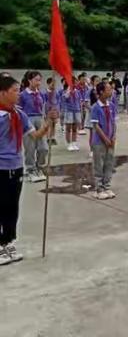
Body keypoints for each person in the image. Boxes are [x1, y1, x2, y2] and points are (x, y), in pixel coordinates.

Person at [0, 75, 55, 265]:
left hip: (15, 167)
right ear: (3, 93)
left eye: (18, 90)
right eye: (14, 91)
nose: (18, 94)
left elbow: (35, 135)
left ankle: (8, 241)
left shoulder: (19, 114)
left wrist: (48, 122)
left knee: (12, 207)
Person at [18, 71, 48, 182]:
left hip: (40, 119)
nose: (39, 82)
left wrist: (45, 121)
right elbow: (19, 111)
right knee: (30, 148)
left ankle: (39, 167)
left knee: (43, 148)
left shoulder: (40, 94)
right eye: (36, 80)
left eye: (40, 80)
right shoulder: (22, 95)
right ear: (29, 80)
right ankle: (30, 170)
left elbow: (43, 108)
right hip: (28, 120)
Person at [90, 82, 117, 200]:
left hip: (110, 140)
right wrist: (105, 139)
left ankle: (106, 186)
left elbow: (113, 123)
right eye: (109, 89)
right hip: (99, 141)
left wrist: (113, 137)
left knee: (109, 164)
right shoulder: (95, 107)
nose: (111, 91)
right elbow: (96, 126)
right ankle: (98, 188)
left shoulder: (111, 106)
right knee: (99, 164)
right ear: (101, 92)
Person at [63, 78, 81, 152]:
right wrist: (69, 90)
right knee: (68, 128)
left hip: (76, 111)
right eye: (75, 82)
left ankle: (74, 143)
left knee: (74, 128)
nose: (76, 84)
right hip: (69, 111)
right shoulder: (67, 91)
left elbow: (79, 101)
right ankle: (69, 143)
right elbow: (65, 98)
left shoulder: (77, 92)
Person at [85, 75, 100, 157]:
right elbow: (86, 103)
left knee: (99, 133)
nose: (98, 82)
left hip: (100, 114)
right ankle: (91, 150)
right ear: (92, 82)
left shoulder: (101, 90)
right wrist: (92, 110)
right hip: (92, 114)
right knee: (92, 133)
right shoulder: (89, 91)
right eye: (96, 81)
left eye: (99, 80)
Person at [44, 77, 60, 146]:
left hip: (55, 110)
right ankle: (48, 138)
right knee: (48, 124)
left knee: (53, 124)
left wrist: (58, 110)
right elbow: (44, 102)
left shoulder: (56, 92)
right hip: (48, 110)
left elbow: (58, 101)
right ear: (48, 84)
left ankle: (53, 137)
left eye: (54, 85)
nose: (53, 86)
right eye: (52, 84)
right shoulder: (45, 92)